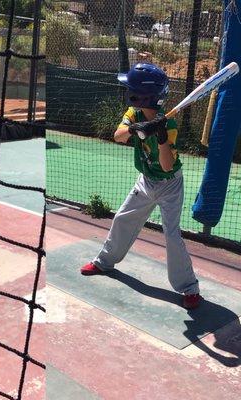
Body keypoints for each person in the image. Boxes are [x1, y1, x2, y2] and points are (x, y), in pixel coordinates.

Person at [80, 63, 201, 309]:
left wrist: (161, 136)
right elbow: (118, 135)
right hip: (145, 180)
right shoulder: (133, 114)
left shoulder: (169, 125)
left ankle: (189, 288)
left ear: (145, 96)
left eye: (132, 90)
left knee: (171, 234)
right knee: (123, 218)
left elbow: (167, 166)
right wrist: (136, 129)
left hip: (169, 185)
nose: (128, 93)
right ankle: (104, 262)